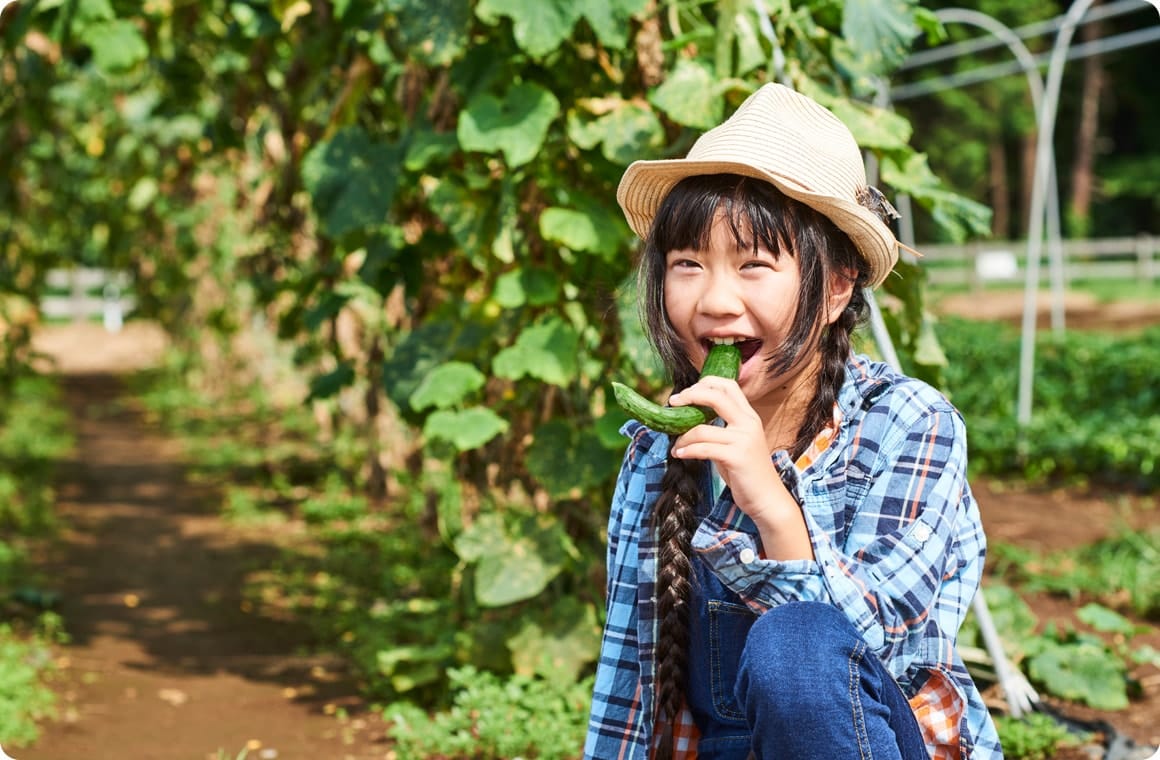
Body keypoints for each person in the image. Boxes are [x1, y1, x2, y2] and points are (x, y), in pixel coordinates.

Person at [584, 83, 1003, 760]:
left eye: (754, 265)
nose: (715, 300)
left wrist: (769, 503)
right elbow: (630, 686)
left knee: (799, 646)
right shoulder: (655, 450)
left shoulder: (908, 426)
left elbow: (880, 650)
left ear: (838, 287)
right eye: (687, 264)